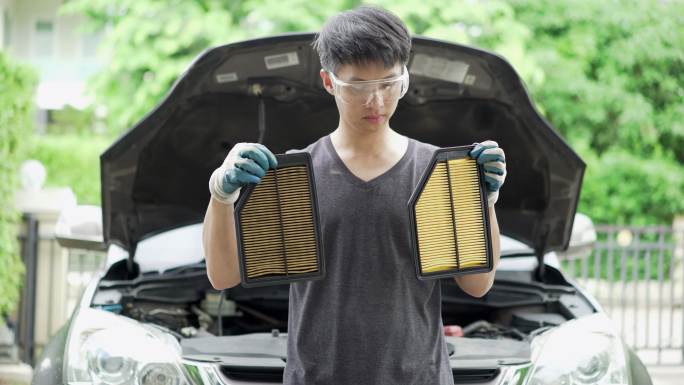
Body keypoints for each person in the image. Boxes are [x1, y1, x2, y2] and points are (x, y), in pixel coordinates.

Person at [202, 5, 507, 385]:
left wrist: (485, 203)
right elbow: (222, 275)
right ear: (329, 82)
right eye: (358, 87)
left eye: (388, 83)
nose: (376, 101)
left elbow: (478, 285)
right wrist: (221, 195)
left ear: (405, 78)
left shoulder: (437, 171)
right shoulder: (295, 175)